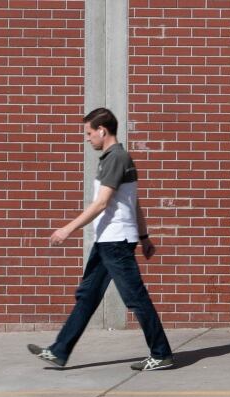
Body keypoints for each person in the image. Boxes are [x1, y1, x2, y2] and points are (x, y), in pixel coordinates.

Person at [27, 107, 174, 371]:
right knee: (88, 296)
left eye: (89, 133)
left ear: (102, 131)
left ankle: (161, 353)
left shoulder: (116, 157)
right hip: (109, 240)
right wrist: (144, 236)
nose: (87, 138)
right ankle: (59, 351)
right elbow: (134, 203)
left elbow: (102, 203)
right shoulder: (112, 158)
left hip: (116, 242)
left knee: (135, 298)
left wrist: (67, 229)